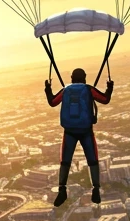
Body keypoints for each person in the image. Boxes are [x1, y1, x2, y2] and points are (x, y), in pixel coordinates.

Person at [44, 67, 114, 207]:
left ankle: (62, 189)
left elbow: (53, 102)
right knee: (92, 160)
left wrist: (48, 89)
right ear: (84, 78)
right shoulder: (88, 89)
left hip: (69, 130)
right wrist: (109, 88)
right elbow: (104, 99)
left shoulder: (66, 90)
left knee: (65, 161)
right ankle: (96, 189)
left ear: (71, 78)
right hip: (86, 131)